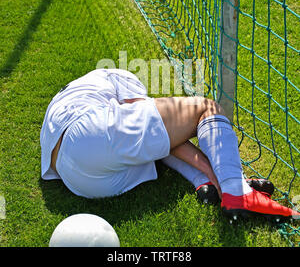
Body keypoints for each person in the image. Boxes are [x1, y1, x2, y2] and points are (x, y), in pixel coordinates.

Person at [40, 68, 299, 221]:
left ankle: (206, 182)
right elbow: (156, 128)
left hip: (75, 180)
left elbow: (159, 140)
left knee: (151, 144)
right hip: (87, 133)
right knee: (206, 108)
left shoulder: (85, 87)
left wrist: (210, 173)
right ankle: (236, 190)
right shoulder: (120, 77)